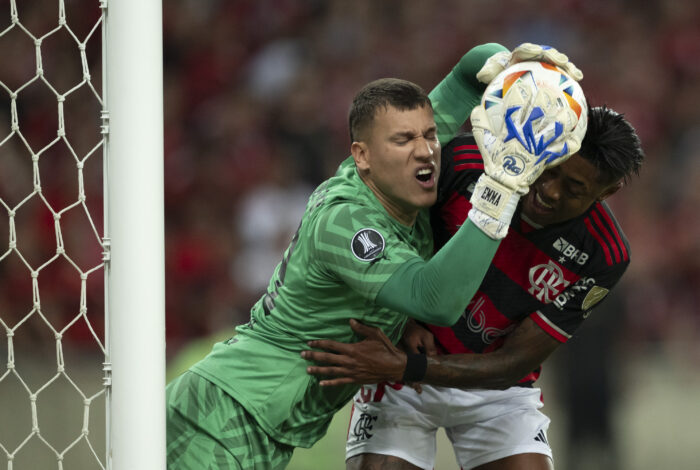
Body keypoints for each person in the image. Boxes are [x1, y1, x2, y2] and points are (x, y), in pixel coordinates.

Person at [165, 42, 582, 469]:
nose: (425, 149)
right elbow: (436, 300)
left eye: (429, 135)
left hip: (257, 424)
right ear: (362, 156)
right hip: (220, 417)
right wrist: (501, 191)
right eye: (404, 140)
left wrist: (508, 63)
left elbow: (463, 77)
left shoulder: (401, 169)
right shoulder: (345, 221)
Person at [302, 105, 644, 470]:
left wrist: (411, 366)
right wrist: (402, 321)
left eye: (574, 188)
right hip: (399, 364)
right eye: (550, 168)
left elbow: (514, 363)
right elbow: (383, 237)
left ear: (608, 192)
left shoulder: (603, 255)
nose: (548, 189)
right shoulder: (467, 160)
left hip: (493, 390)